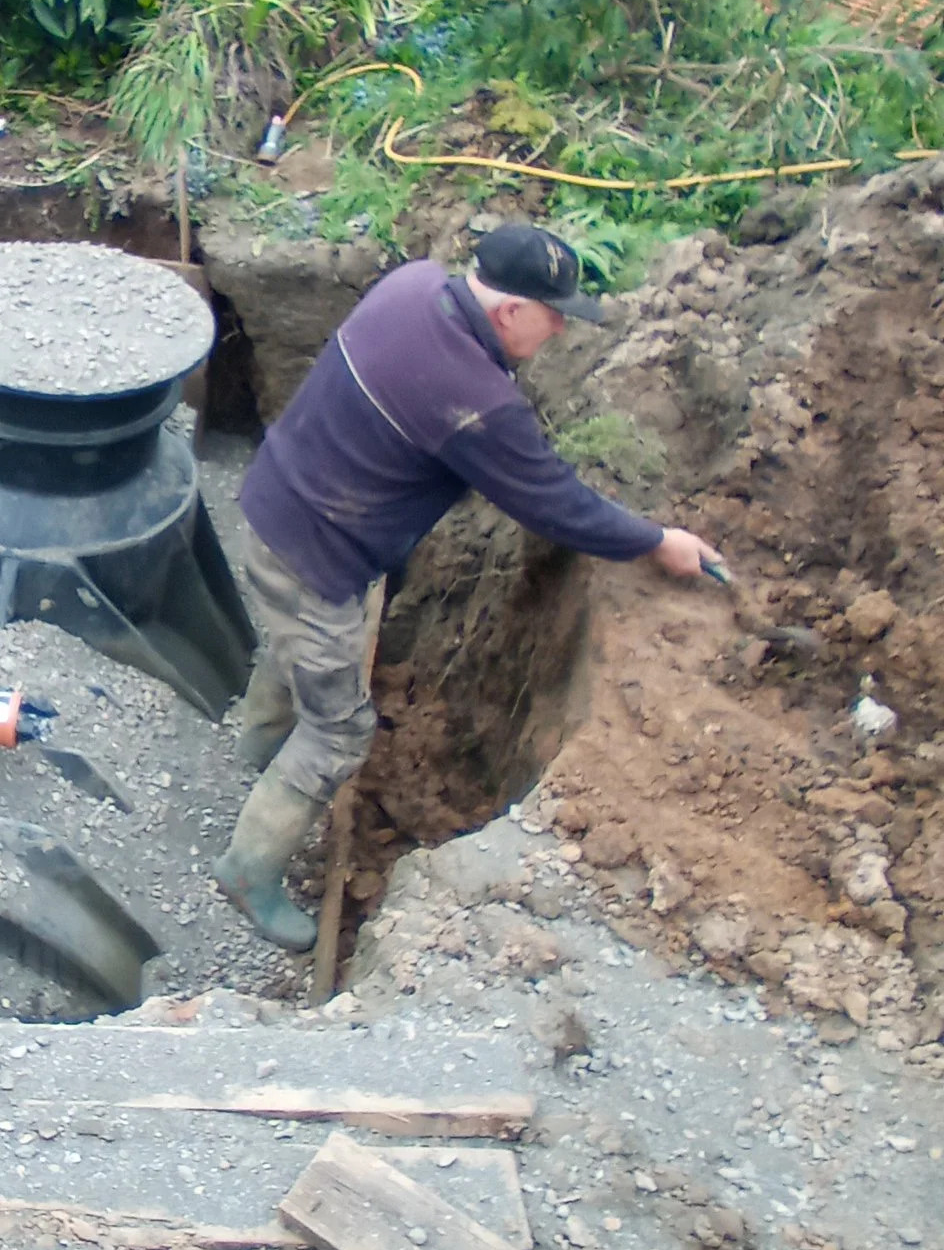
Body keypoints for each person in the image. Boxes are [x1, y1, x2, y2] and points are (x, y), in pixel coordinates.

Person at [215, 222, 720, 951]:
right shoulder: (472, 398)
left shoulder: (412, 285)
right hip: (315, 556)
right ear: (511, 310)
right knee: (339, 729)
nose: (560, 332)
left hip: (278, 505)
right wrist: (657, 540)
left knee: (301, 644)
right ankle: (247, 869)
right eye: (554, 317)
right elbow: (556, 503)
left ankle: (259, 754)